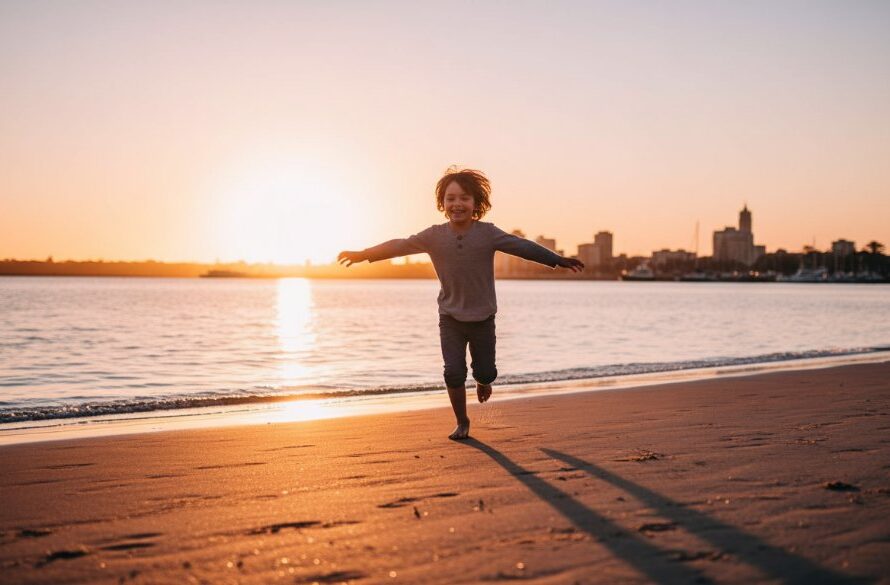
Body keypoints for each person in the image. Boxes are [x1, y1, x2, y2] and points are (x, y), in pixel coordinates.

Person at [338, 168, 584, 440]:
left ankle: (483, 381)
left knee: (486, 371)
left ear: (476, 204)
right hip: (450, 318)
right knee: (453, 372)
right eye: (450, 198)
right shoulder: (433, 235)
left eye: (464, 198)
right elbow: (400, 245)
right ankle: (462, 421)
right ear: (442, 204)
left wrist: (556, 259)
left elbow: (521, 246)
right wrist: (364, 254)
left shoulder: (488, 233)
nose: (457, 204)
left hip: (483, 318)